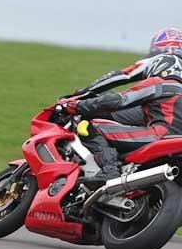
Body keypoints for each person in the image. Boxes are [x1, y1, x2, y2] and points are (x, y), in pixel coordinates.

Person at [65, 52, 182, 183]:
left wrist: (76, 106)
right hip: (175, 141)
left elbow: (119, 100)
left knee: (93, 128)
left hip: (160, 135)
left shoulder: (158, 83)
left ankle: (110, 171)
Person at [69, 27, 182, 127]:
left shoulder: (161, 58)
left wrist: (83, 92)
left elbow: (120, 76)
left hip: (162, 114)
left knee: (104, 107)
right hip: (173, 117)